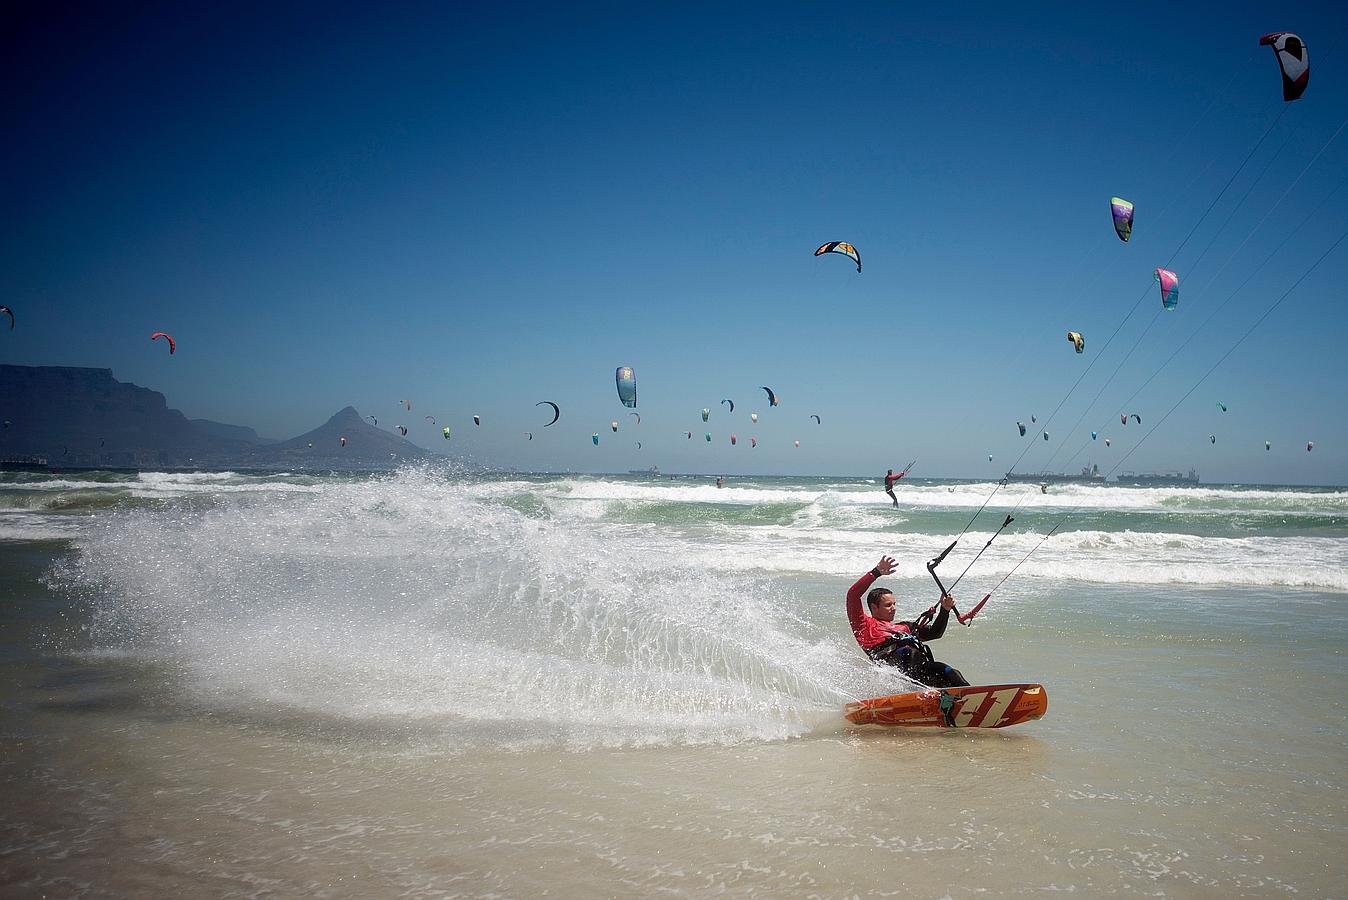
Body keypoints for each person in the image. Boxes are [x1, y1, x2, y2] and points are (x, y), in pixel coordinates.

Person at [844, 555, 970, 687]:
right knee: (909, 653)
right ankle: (917, 692)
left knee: (949, 672)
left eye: (894, 604)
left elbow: (935, 633)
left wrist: (945, 609)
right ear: (874, 607)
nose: (894, 608)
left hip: (919, 669)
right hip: (895, 673)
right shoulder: (864, 625)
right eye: (888, 605)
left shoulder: (905, 627)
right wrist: (875, 573)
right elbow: (852, 595)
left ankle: (972, 697)